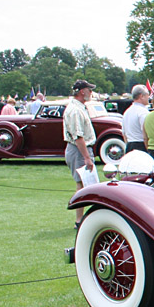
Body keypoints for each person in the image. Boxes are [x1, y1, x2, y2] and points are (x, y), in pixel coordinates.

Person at [64, 79, 97, 229]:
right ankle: (79, 220)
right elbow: (78, 136)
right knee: (82, 184)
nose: (91, 92)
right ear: (82, 91)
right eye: (89, 89)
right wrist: (86, 157)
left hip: (80, 149)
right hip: (78, 150)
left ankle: (85, 218)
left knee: (86, 184)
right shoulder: (75, 110)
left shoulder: (80, 107)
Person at [122, 84, 150, 152]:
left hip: (129, 145)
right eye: (147, 94)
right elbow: (146, 133)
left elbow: (124, 134)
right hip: (141, 145)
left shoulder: (127, 112)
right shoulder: (143, 112)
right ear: (141, 96)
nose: (148, 97)